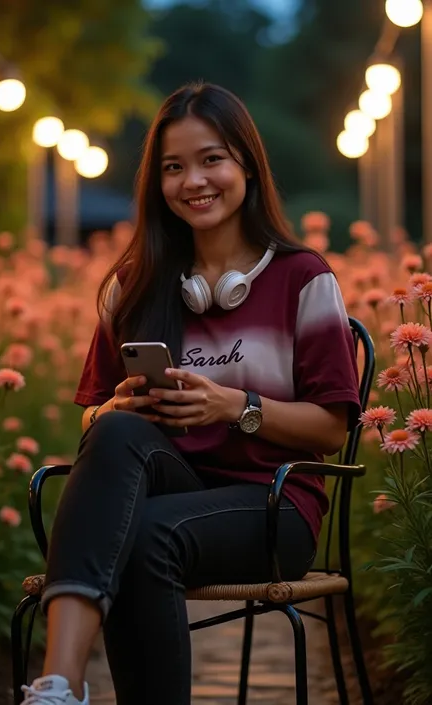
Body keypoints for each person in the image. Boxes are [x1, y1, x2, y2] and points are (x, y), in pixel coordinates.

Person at [22, 82, 360, 705]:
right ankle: (58, 685)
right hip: (170, 486)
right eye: (173, 167)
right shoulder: (134, 286)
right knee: (120, 434)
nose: (193, 181)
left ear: (247, 166)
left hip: (272, 507)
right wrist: (116, 408)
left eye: (212, 159)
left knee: (144, 535)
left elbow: (331, 428)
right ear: (157, 184)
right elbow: (95, 418)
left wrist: (236, 407)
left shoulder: (301, 278)